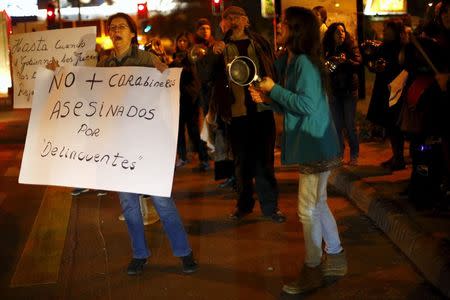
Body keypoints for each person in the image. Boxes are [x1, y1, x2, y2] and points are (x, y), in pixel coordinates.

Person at [249, 6, 346, 295]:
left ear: (297, 29)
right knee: (318, 204)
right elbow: (294, 103)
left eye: (284, 24)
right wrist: (268, 97)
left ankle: (313, 267)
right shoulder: (294, 59)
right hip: (314, 142)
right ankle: (337, 259)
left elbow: (307, 105)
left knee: (308, 209)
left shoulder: (303, 61)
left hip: (315, 144)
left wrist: (273, 89)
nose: (279, 27)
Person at [91, 12, 197, 275]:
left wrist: (167, 73)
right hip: (119, 145)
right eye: (112, 27)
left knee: (162, 201)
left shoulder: (146, 59)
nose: (116, 31)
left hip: (147, 144)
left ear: (131, 33)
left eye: (121, 27)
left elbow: (170, 86)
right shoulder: (103, 67)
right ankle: (139, 253)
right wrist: (56, 74)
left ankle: (183, 252)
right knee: (128, 205)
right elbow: (86, 93)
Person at [210, 6, 285, 222]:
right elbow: (207, 76)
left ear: (246, 21)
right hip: (236, 113)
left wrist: (273, 95)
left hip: (261, 110)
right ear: (223, 23)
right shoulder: (220, 46)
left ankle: (270, 208)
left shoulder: (259, 42)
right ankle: (244, 206)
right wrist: (213, 55)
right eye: (228, 18)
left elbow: (273, 70)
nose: (233, 21)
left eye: (237, 17)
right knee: (242, 163)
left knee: (265, 162)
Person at [365, 18, 407, 171]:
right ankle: (396, 156)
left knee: (395, 125)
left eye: (386, 29)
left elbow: (402, 67)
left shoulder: (401, 47)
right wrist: (373, 65)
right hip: (384, 88)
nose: (383, 31)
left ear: (395, 31)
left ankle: (399, 158)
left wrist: (386, 67)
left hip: (395, 89)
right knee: (390, 125)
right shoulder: (385, 46)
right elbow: (375, 62)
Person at [323, 22, 362, 165]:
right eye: (337, 32)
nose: (341, 34)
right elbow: (323, 68)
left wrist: (345, 62)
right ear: (331, 35)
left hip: (349, 90)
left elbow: (358, 63)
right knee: (337, 125)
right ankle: (339, 154)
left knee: (350, 124)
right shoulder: (327, 49)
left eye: (343, 31)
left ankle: (354, 155)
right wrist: (329, 63)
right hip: (334, 91)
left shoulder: (351, 46)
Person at [170, 32, 209, 170]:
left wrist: (176, 64)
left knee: (193, 131)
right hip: (178, 99)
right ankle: (182, 157)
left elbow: (191, 73)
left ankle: (204, 158)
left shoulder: (191, 56)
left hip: (190, 99)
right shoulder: (174, 57)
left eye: (184, 41)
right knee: (179, 131)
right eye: (179, 41)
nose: (182, 44)